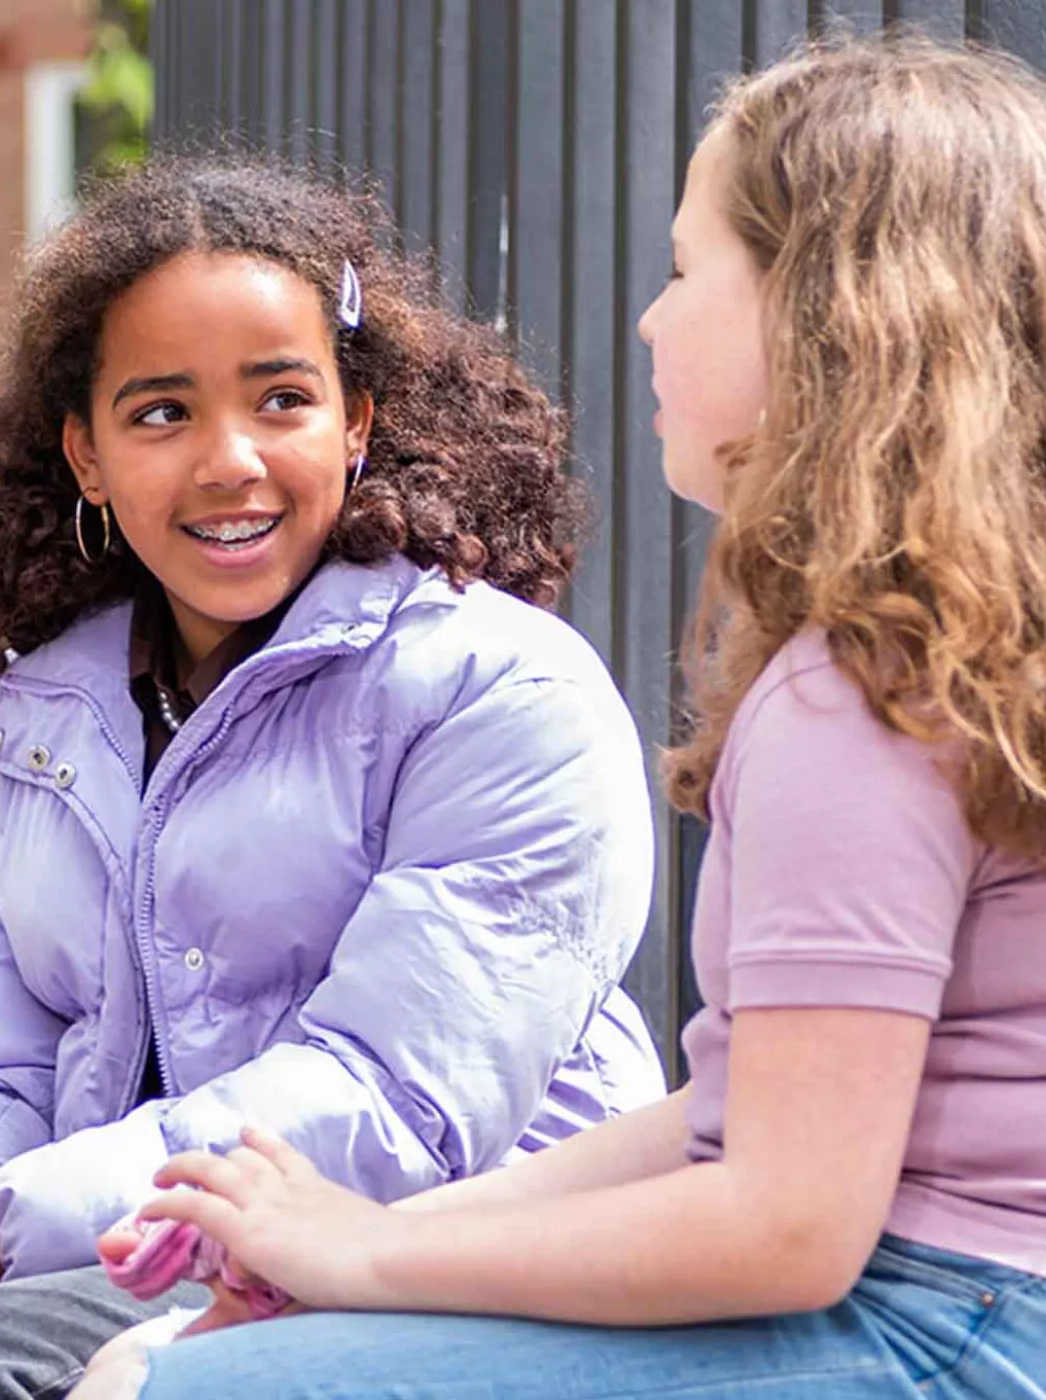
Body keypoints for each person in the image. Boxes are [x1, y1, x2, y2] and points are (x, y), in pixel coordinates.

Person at [102, 37, 1046, 1400]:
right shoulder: (933, 654)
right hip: (977, 1309)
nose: (650, 322)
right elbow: (722, 1122)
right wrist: (356, 1239)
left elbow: (785, 1225)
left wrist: (367, 1266)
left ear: (833, 311)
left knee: (173, 1386)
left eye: (684, 269)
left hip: (941, 1328)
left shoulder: (857, 694)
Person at [0, 158, 663, 1400]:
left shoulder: (498, 689)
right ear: (86, 453)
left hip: (427, 1244)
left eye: (281, 398)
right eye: (161, 412)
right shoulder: (30, 724)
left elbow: (390, 1099)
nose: (228, 460)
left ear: (356, 424)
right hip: (113, 1237)